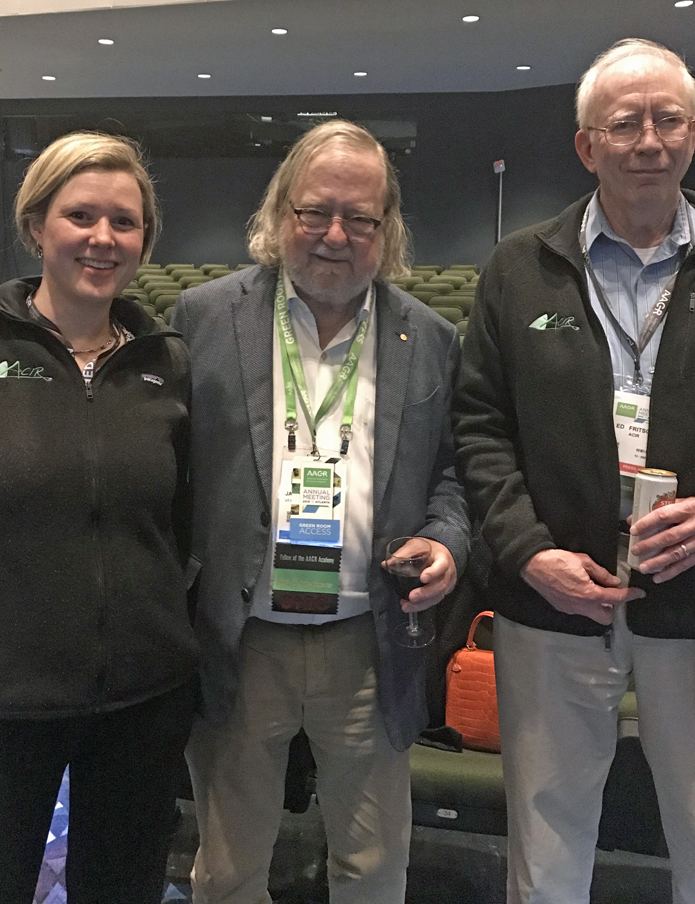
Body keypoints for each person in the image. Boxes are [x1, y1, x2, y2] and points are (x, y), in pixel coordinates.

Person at [453, 38, 695, 904]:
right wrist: (527, 550)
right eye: (625, 123)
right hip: (554, 600)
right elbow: (480, 426)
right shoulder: (519, 268)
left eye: (668, 119)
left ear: (694, 131)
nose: (649, 140)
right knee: (546, 843)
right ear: (587, 145)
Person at [174, 119, 470, 904]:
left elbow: (453, 474)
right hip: (243, 638)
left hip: (368, 641)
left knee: (372, 869)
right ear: (279, 216)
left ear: (387, 228)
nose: (335, 235)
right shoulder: (202, 319)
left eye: (360, 218)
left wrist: (446, 541)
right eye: (314, 212)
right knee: (228, 868)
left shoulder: (430, 337)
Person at [0, 131, 199, 904]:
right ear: (36, 225)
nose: (103, 238)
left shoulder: (167, 359)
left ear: (144, 239)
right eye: (80, 215)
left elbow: (181, 527)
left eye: (125, 221)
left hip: (144, 704)